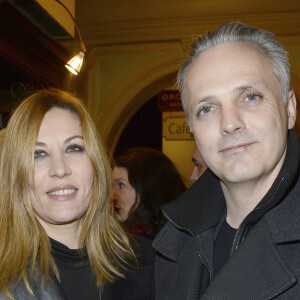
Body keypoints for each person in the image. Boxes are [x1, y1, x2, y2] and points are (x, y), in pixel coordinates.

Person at [153, 22, 299, 299]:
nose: (229, 123)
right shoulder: (171, 244)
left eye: (250, 97)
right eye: (207, 109)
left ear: (289, 108)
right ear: (193, 129)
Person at [0, 89, 154, 300]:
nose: (60, 169)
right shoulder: (5, 278)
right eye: (38, 153)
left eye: (73, 148)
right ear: (16, 173)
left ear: (96, 164)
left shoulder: (147, 262)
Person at [112, 147, 186, 240]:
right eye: (112, 186)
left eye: (121, 185)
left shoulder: (168, 242)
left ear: (146, 187)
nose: (112, 195)